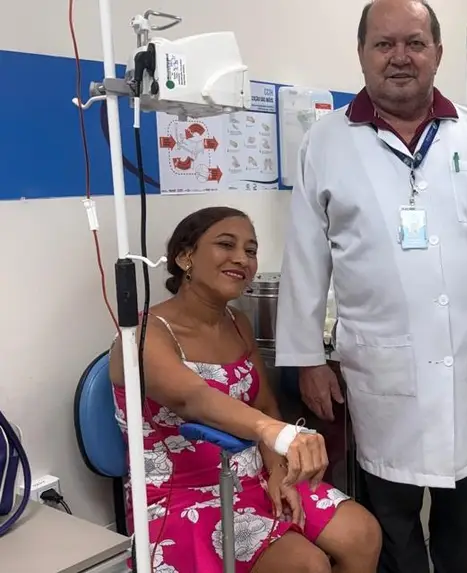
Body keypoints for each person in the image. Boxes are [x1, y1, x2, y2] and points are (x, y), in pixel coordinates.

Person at [275, 0, 467, 571]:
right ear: (362, 53)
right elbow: (305, 258)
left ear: (437, 53)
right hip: (381, 370)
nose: (400, 57)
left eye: (415, 43)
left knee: (465, 520)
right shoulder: (325, 142)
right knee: (391, 524)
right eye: (384, 44)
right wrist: (308, 358)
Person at [109, 206, 381, 573]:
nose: (242, 258)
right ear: (185, 257)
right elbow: (194, 398)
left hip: (254, 474)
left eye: (250, 250)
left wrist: (277, 469)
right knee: (306, 566)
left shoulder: (237, 323)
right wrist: (276, 433)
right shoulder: (143, 336)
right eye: (226, 244)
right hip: (181, 496)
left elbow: (264, 404)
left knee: (362, 534)